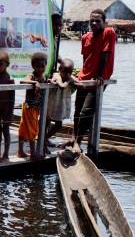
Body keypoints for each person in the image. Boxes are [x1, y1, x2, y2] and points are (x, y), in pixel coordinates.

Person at [67, 9, 116, 155]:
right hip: (84, 77)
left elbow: (105, 54)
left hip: (97, 79)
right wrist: (83, 74)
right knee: (77, 110)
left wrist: (100, 75)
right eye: (91, 20)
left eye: (97, 21)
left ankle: (78, 141)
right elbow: (85, 58)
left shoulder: (108, 33)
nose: (94, 23)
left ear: (104, 22)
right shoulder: (85, 37)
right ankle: (74, 138)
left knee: (86, 111)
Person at [17, 52, 48, 160]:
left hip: (35, 107)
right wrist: (34, 83)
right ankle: (33, 153)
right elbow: (22, 81)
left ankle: (20, 151)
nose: (40, 68)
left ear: (46, 65)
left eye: (42, 66)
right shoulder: (32, 75)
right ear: (33, 66)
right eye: (37, 66)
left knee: (24, 128)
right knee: (32, 129)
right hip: (30, 107)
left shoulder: (43, 76)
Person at [45, 58, 77, 153]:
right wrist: (69, 81)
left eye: (69, 72)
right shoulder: (57, 76)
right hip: (51, 104)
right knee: (48, 122)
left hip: (58, 105)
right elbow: (62, 86)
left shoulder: (68, 77)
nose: (66, 74)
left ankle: (44, 138)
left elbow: (81, 84)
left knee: (56, 124)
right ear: (59, 69)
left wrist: (72, 79)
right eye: (64, 71)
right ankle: (43, 139)